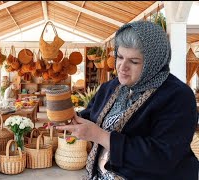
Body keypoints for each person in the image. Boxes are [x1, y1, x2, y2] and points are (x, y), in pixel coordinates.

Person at [56, 21, 198, 179]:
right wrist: (70, 120)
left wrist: (100, 136)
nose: (122, 66)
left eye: (134, 61)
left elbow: (162, 157)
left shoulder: (177, 96)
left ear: (154, 63)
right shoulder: (111, 87)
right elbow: (91, 115)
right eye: (120, 57)